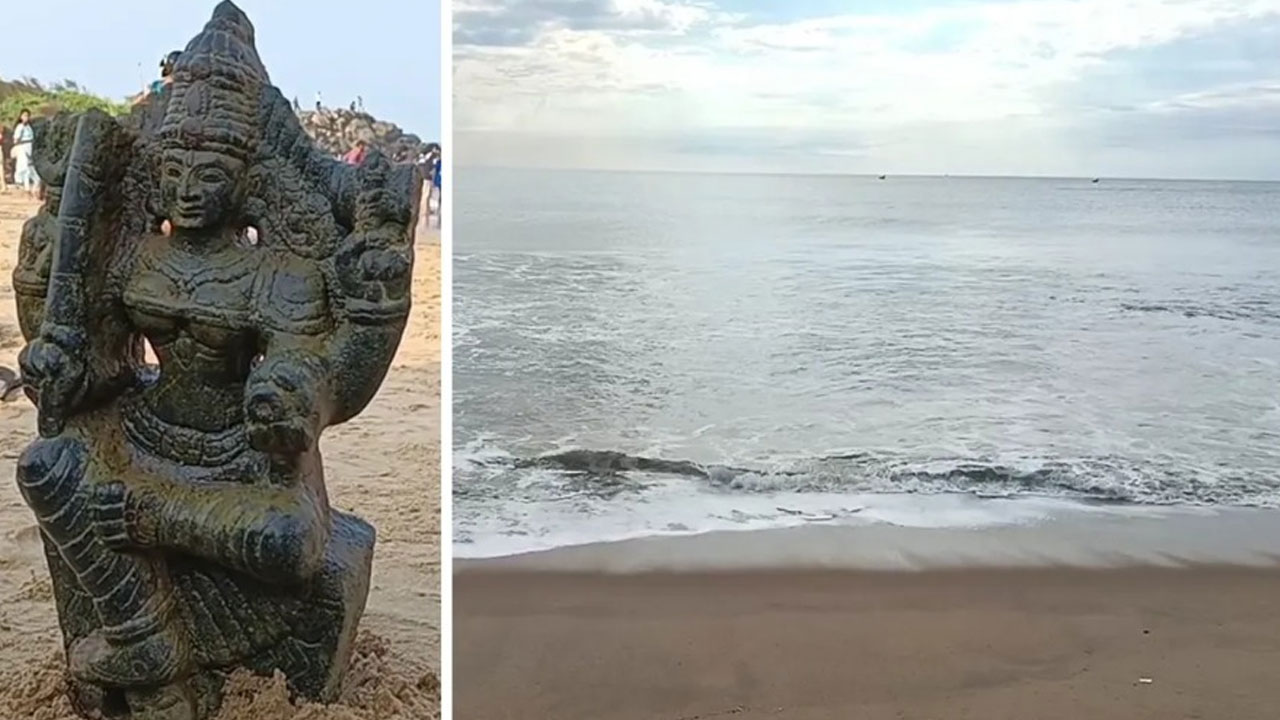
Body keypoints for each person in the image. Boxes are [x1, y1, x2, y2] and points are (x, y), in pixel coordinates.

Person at [12, 109, 37, 198]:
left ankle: (33, 187)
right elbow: (16, 139)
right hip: (23, 146)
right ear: (21, 117)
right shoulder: (20, 127)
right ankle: (25, 188)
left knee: (31, 167)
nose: (26, 118)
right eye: (24, 116)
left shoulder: (29, 127)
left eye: (27, 116)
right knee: (24, 167)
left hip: (30, 146)